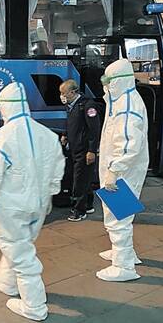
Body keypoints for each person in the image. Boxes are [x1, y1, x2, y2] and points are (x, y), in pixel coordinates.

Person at [0, 82, 65, 321]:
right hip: (40, 204)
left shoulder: (2, 137)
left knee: (19, 251)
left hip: (13, 206)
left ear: (5, 107)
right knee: (20, 244)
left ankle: (34, 305)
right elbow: (57, 168)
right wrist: (51, 192)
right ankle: (7, 281)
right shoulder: (47, 134)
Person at [97, 58, 148, 282]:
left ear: (119, 81)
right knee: (120, 213)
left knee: (118, 216)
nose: (105, 85)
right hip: (120, 168)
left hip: (121, 170)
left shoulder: (127, 105)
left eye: (108, 80)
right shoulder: (121, 101)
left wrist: (114, 170)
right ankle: (124, 251)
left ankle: (123, 265)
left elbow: (128, 143)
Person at [59, 79, 101, 222]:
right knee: (83, 178)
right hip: (74, 148)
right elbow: (71, 123)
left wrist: (92, 150)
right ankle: (88, 204)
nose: (62, 96)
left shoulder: (88, 106)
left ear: (72, 92)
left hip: (84, 150)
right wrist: (65, 135)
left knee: (79, 180)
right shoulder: (72, 105)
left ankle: (78, 210)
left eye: (64, 93)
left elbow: (94, 129)